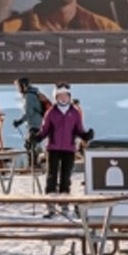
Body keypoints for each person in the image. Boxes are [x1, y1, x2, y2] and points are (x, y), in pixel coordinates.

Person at [32, 84, 91, 214]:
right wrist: (37, 137)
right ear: (56, 97)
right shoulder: (51, 112)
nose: (63, 98)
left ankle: (64, 202)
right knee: (52, 176)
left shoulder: (74, 112)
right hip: (53, 148)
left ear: (69, 97)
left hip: (69, 148)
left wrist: (85, 135)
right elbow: (45, 129)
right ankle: (50, 204)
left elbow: (79, 129)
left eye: (66, 96)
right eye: (60, 96)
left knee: (66, 176)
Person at [14, 77, 51, 166]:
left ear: (23, 86)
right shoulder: (34, 93)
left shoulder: (29, 96)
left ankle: (34, 165)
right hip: (38, 123)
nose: (18, 89)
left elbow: (29, 113)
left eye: (18, 86)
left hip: (34, 124)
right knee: (33, 144)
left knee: (30, 145)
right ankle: (35, 164)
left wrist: (19, 121)